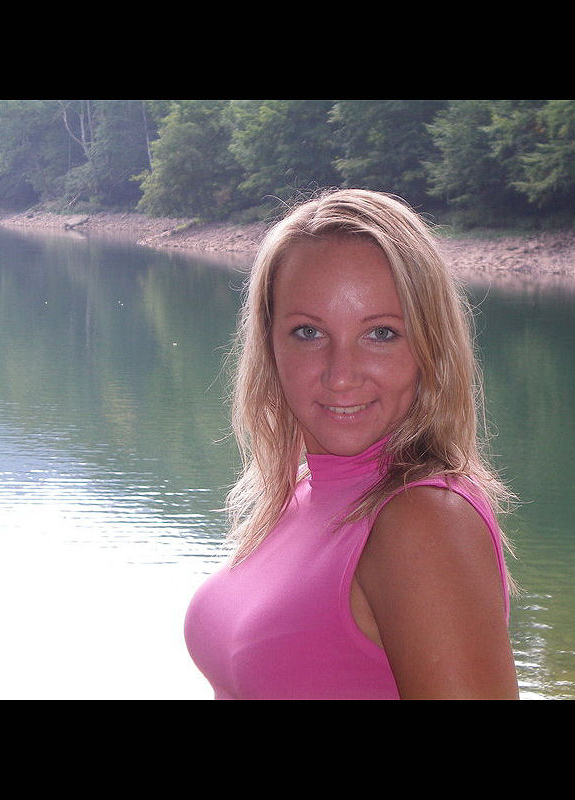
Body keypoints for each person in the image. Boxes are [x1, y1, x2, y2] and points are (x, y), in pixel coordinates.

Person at [184, 188, 519, 699]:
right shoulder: (301, 494)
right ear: (270, 344)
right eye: (308, 333)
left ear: (431, 346)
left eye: (381, 334)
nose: (341, 375)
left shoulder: (423, 520)